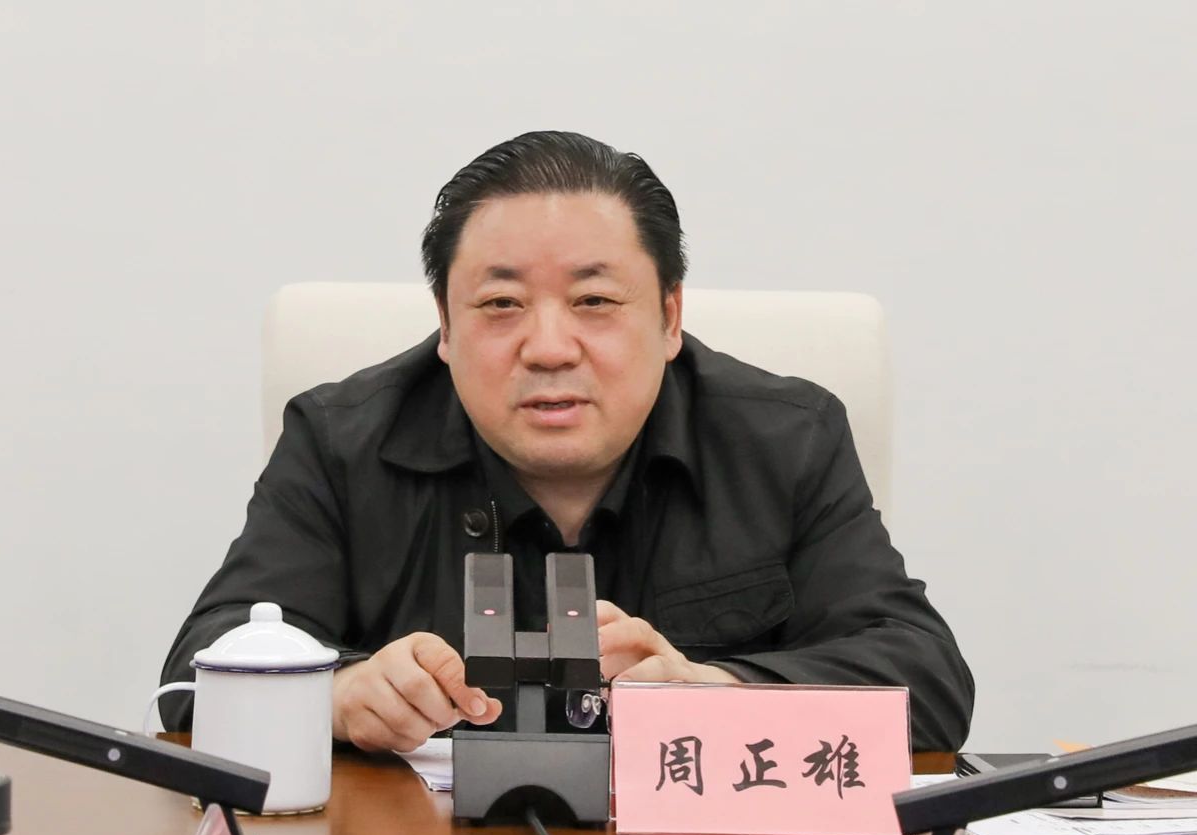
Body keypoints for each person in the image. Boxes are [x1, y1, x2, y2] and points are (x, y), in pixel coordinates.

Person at [160, 130, 974, 752]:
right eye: (501, 304)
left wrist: (714, 689)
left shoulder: (785, 438)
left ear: (670, 317)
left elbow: (928, 682)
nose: (548, 348)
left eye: (593, 301)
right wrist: (336, 695)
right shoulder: (341, 442)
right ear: (445, 325)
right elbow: (192, 678)